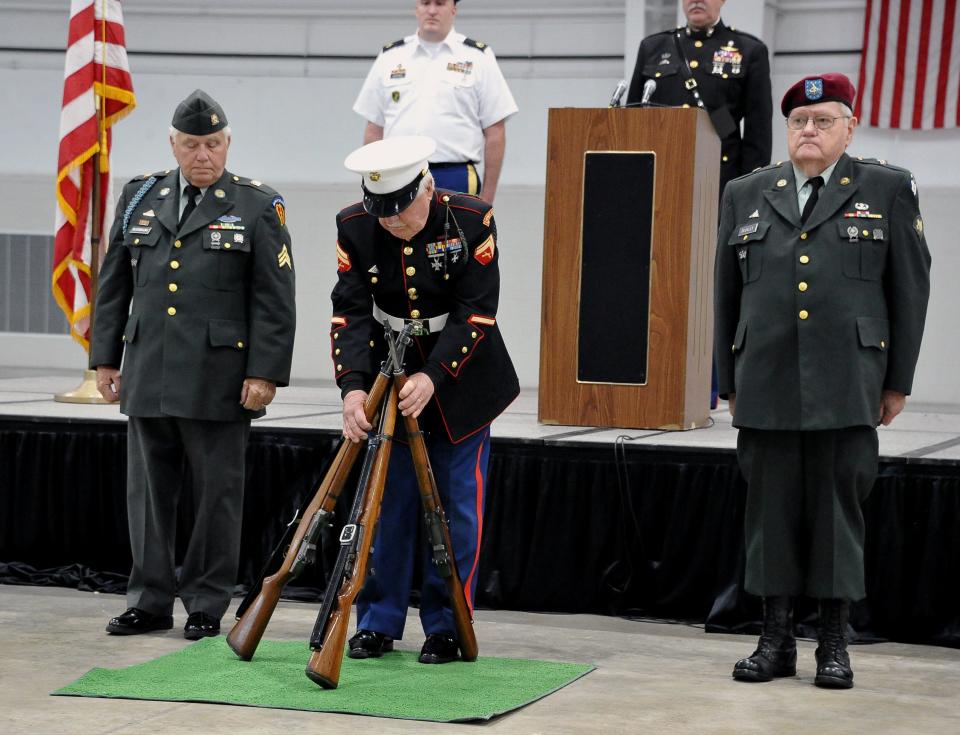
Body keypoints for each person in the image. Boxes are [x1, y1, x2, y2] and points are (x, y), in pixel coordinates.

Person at [715, 73, 931, 689]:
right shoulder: (747, 192)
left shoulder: (886, 188)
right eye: (799, 122)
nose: (809, 131)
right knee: (769, 514)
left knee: (839, 514)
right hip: (767, 379)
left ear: (849, 127)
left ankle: (833, 645)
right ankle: (775, 640)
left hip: (848, 382)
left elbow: (910, 291)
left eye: (823, 120)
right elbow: (724, 293)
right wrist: (729, 380)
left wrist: (896, 381)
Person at [90, 89, 297, 640]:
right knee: (148, 496)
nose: (201, 154)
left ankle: (206, 602)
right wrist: (105, 359)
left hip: (219, 376)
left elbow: (274, 300)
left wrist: (264, 373)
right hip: (149, 369)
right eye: (190, 144)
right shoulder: (139, 197)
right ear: (173, 145)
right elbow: (113, 285)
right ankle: (149, 600)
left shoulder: (257, 205)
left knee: (216, 496)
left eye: (211, 143)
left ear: (227, 143)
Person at [331, 135, 519, 664]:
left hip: (461, 383)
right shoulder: (354, 225)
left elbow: (477, 311)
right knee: (385, 507)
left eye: (401, 211)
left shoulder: (471, 220)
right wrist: (353, 388)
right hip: (388, 378)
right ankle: (378, 621)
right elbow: (349, 311)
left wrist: (435, 374)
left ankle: (447, 623)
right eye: (381, 213)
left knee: (455, 511)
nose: (391, 223)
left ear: (429, 187)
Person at [352, 0, 517, 204]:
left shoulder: (477, 57)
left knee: (456, 236)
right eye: (425, 3)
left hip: (455, 175)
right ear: (416, 9)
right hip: (397, 174)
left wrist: (488, 199)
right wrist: (372, 186)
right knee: (398, 236)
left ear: (453, 10)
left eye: (439, 3)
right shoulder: (391, 56)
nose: (431, 10)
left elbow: (495, 132)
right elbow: (374, 130)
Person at [626, 0, 772, 196]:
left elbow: (758, 132)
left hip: (719, 178)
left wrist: (749, 191)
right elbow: (630, 121)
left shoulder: (748, 50)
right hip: (658, 175)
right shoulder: (654, 47)